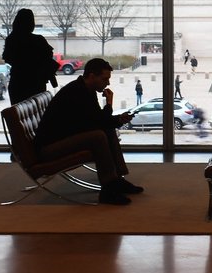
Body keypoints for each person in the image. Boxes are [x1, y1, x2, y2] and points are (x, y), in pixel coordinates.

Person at [33, 58, 141, 205]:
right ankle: (109, 189)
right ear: (91, 76)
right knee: (98, 136)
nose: (107, 83)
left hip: (62, 140)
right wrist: (109, 105)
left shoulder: (85, 90)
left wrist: (117, 120)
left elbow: (97, 120)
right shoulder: (77, 93)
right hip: (49, 149)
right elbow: (97, 122)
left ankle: (116, 179)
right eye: (104, 79)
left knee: (106, 131)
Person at [1, 8, 59, 105]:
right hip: (36, 83)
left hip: (18, 83)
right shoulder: (39, 40)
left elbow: (7, 58)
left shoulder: (11, 40)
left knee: (18, 114)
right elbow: (48, 58)